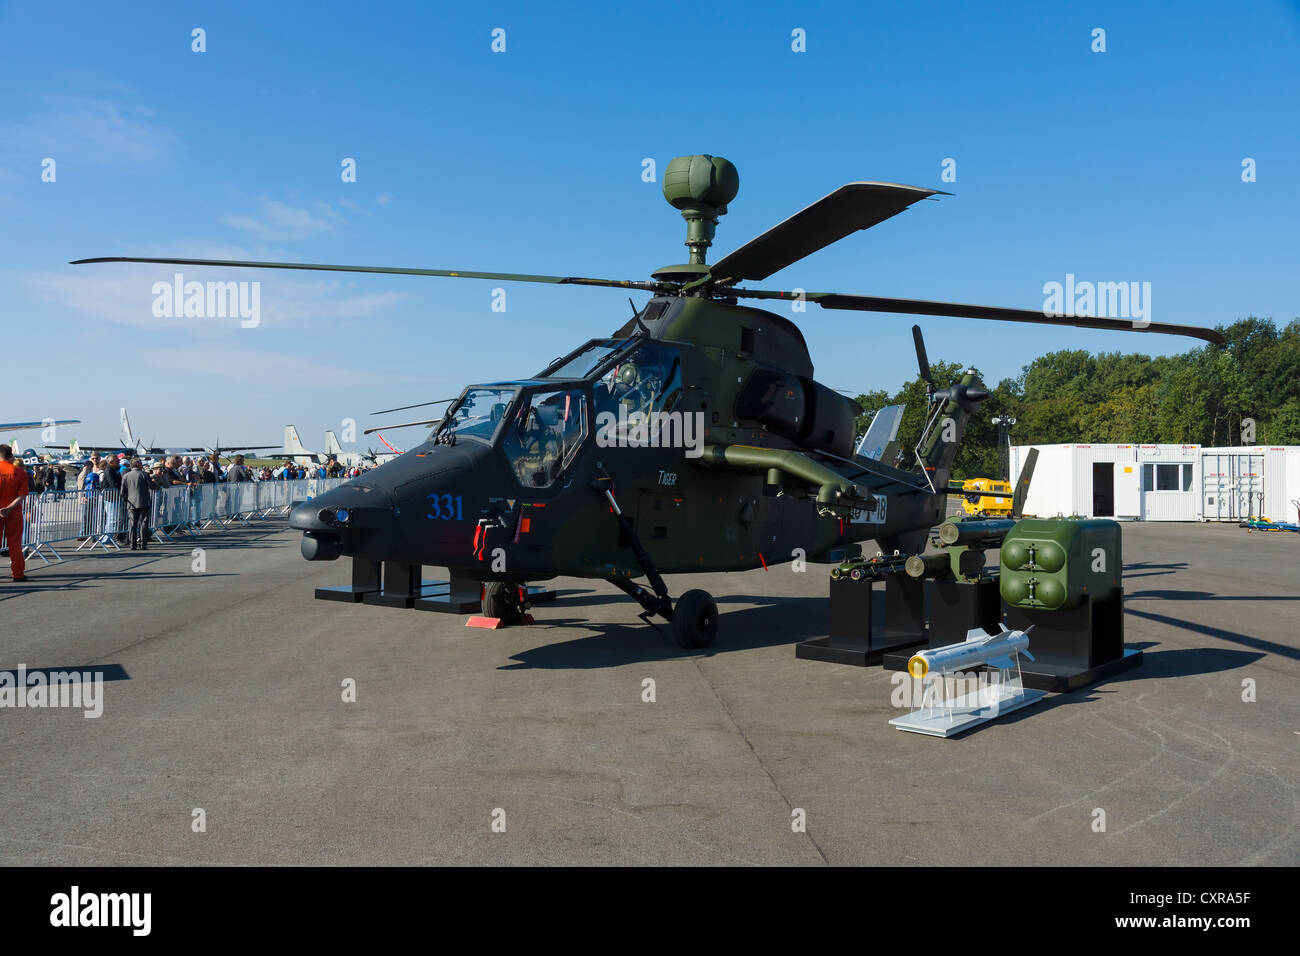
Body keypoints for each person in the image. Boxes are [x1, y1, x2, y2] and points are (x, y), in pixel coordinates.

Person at [0, 445, 30, 581]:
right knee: (15, 543)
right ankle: (18, 573)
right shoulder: (21, 473)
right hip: (14, 512)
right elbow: (22, 495)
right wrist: (9, 508)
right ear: (10, 456)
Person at [122, 457, 152, 550]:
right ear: (138, 464)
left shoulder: (126, 476)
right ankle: (143, 544)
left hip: (131, 503)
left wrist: (126, 501)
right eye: (141, 463)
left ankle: (132, 544)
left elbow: (123, 492)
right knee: (143, 523)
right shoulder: (144, 474)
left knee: (132, 524)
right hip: (143, 502)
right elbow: (152, 486)